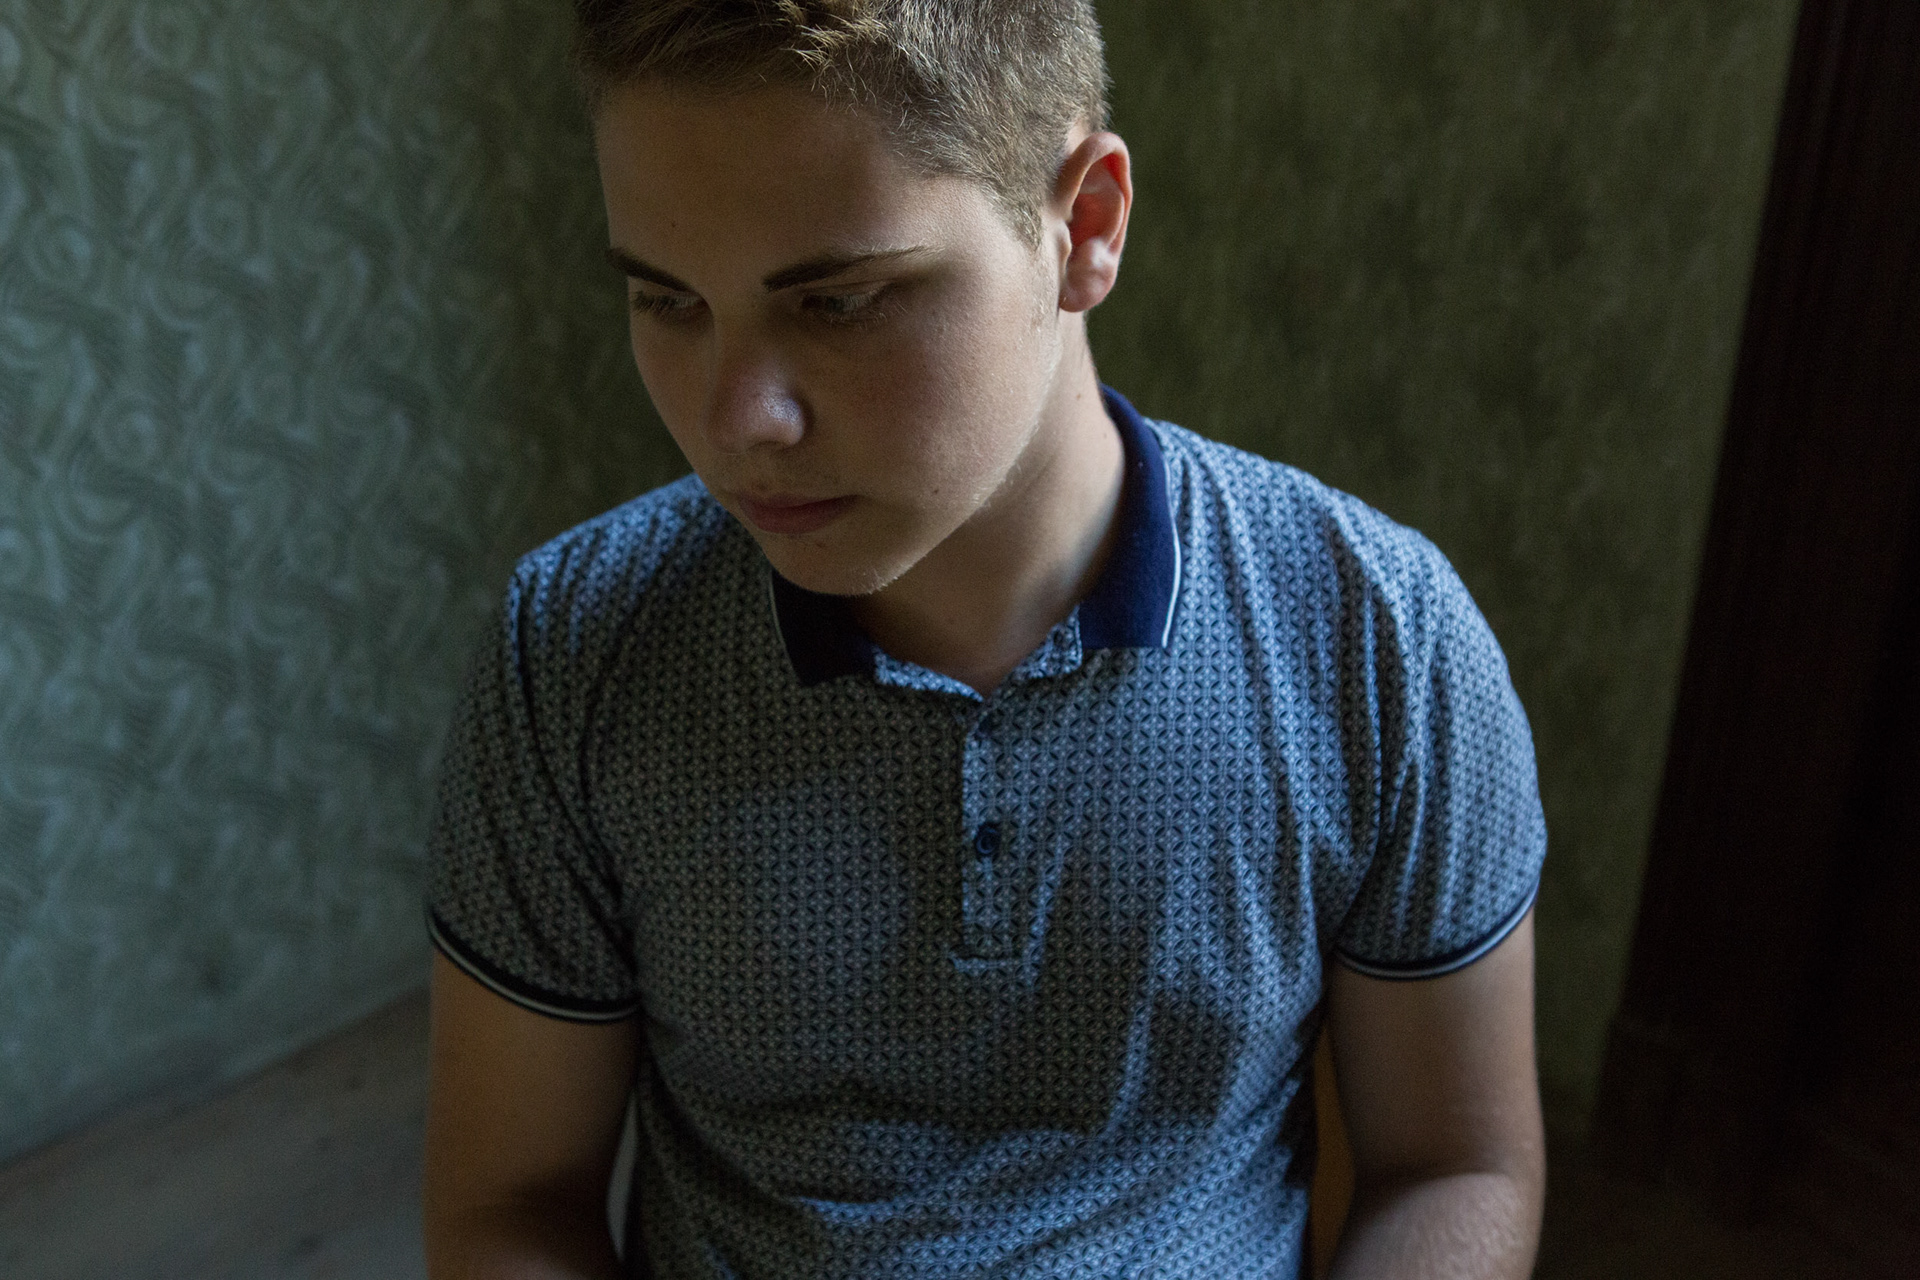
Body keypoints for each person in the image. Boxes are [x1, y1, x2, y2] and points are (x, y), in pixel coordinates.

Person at [420, 2, 1548, 1277]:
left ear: (1087, 226)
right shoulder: (575, 646)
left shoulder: (1379, 637)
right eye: (668, 300)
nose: (738, 420)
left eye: (839, 300)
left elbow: (1454, 1163)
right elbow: (511, 1201)